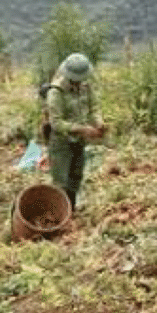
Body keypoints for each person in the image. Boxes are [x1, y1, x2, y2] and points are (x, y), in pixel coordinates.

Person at [45, 52, 107, 209]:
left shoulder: (86, 87)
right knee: (60, 180)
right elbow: (56, 123)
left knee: (76, 176)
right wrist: (82, 129)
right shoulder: (56, 92)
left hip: (79, 141)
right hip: (61, 142)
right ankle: (59, 213)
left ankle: (71, 209)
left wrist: (99, 123)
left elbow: (94, 107)